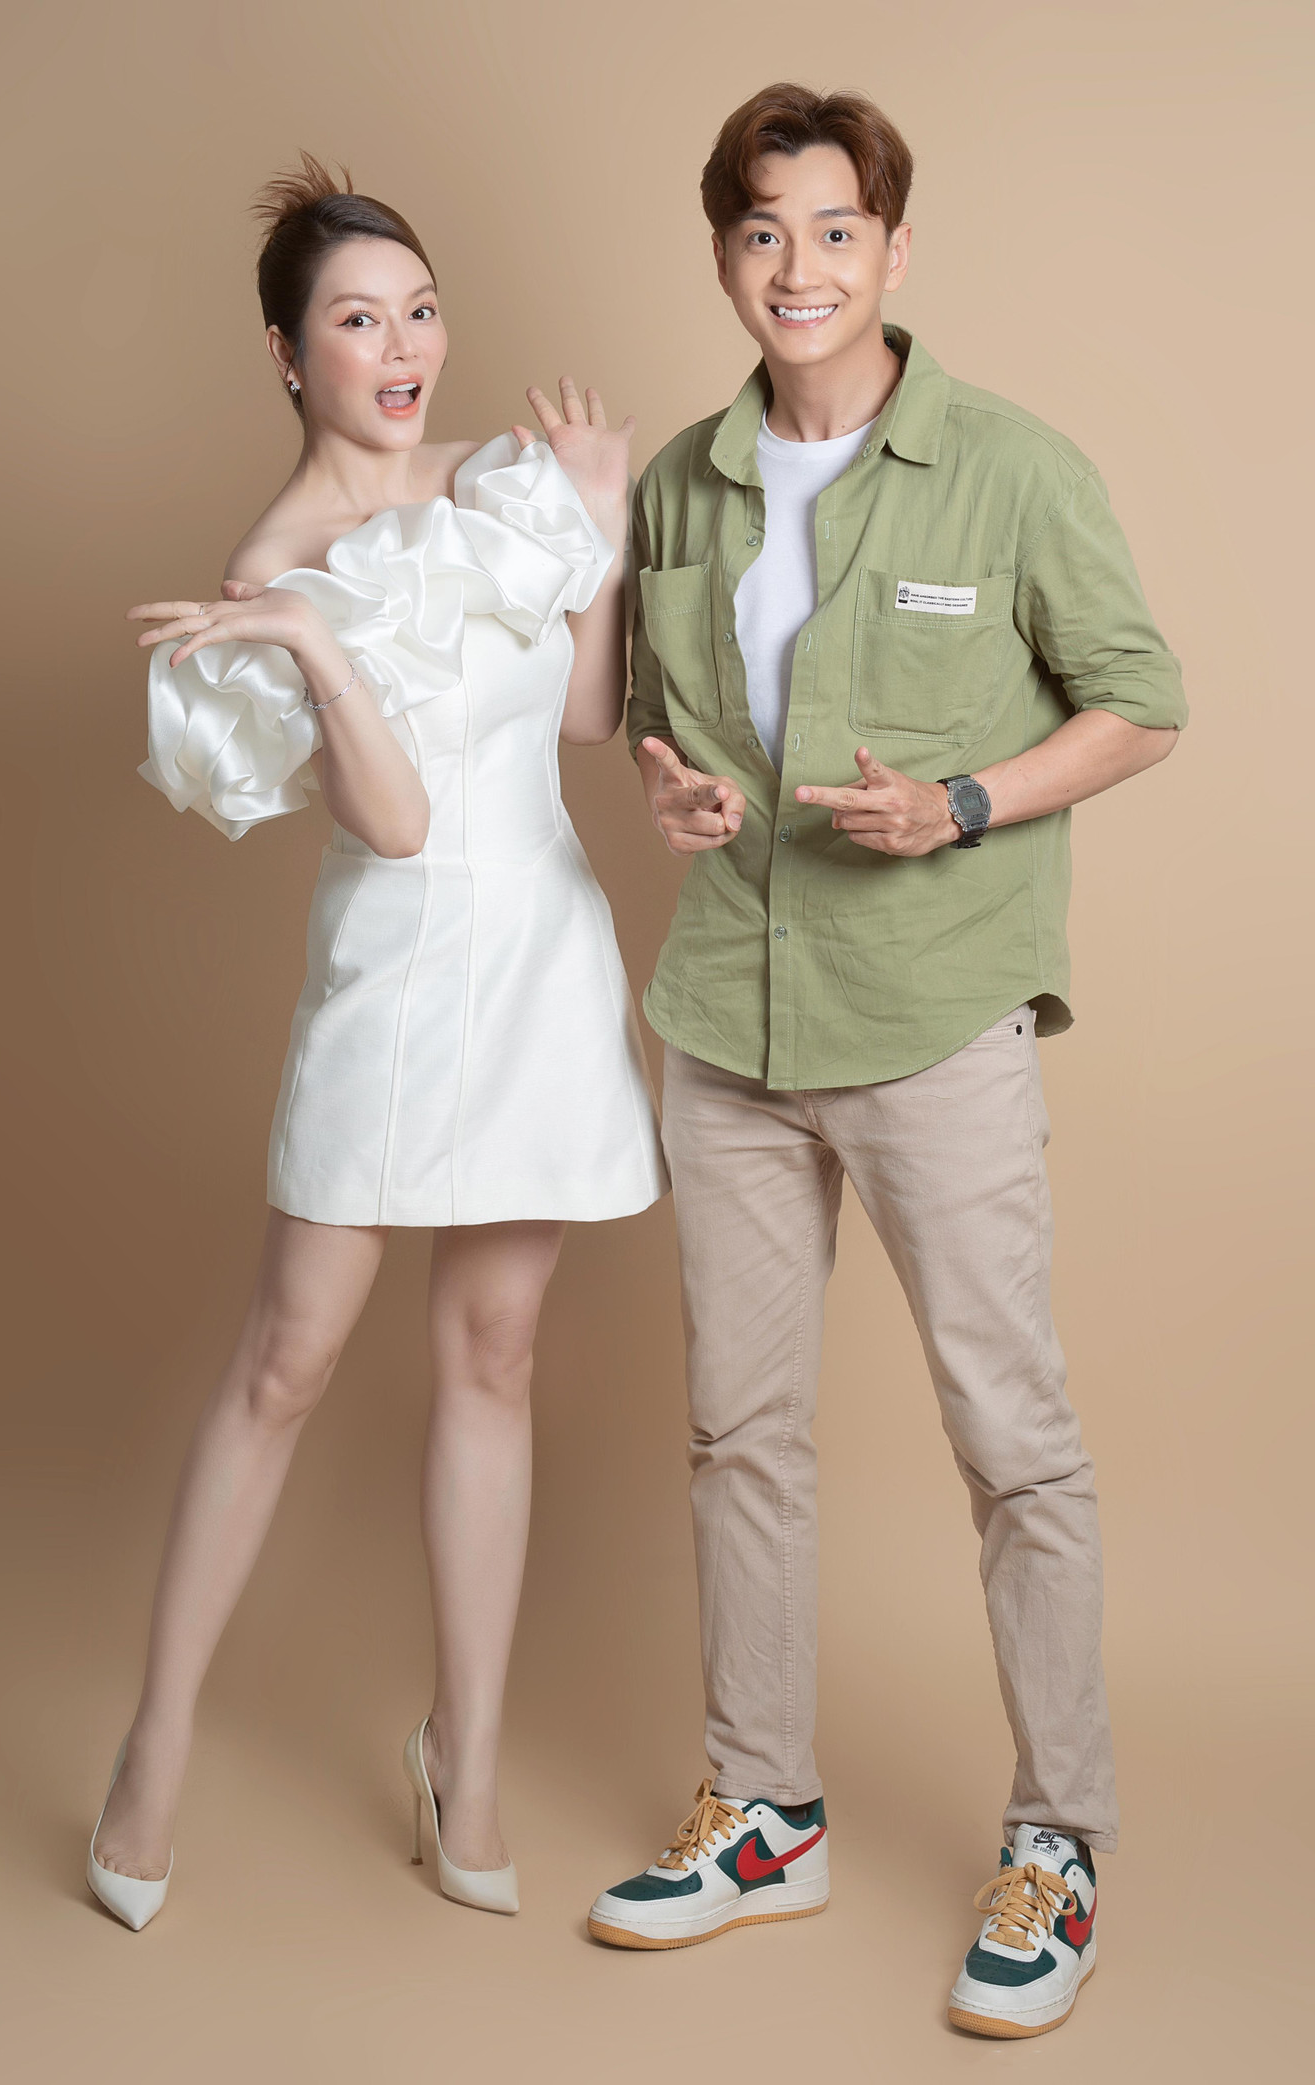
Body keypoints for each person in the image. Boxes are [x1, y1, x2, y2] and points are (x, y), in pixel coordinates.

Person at [586, 85, 1185, 2039]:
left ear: (892, 250)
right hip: (727, 1023)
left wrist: (963, 797)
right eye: (762, 230)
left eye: (834, 229)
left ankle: (1057, 1836)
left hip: (932, 1016)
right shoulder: (680, 485)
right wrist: (668, 785)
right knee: (736, 1433)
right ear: (723, 255)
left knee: (1011, 1437)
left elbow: (1138, 700)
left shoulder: (1008, 469)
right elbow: (654, 729)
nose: (799, 266)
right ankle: (763, 1808)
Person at [87, 154, 666, 1931]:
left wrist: (599, 528)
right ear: (289, 354)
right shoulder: (267, 571)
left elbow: (582, 716)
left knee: (495, 1352)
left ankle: (461, 1760)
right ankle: (153, 1750)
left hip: (541, 955)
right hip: (396, 973)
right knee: (287, 1358)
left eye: (419, 310)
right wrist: (313, 644)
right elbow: (397, 824)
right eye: (358, 319)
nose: (403, 347)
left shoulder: (503, 483)